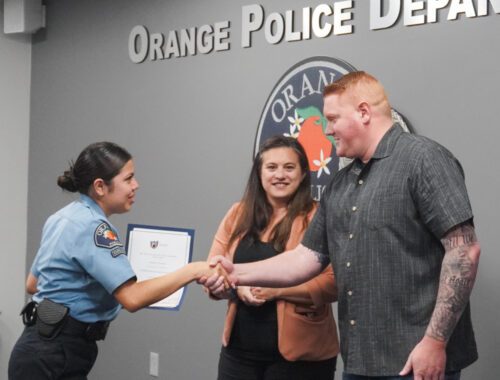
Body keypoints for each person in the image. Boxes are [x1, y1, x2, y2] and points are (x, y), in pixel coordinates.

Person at [208, 72, 480, 380]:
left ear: (364, 113)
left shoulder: (423, 159)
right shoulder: (341, 183)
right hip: (360, 362)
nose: (327, 130)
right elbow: (305, 258)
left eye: (333, 118)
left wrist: (435, 341)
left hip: (416, 363)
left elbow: (464, 251)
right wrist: (237, 273)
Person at [8, 142, 219, 380]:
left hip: (38, 349)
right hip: (56, 355)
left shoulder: (63, 217)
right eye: (128, 179)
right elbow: (132, 298)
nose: (136, 185)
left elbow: (33, 283)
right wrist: (193, 270)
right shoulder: (95, 228)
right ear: (100, 186)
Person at [202, 136, 339, 380]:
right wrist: (236, 288)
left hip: (301, 358)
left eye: (289, 167)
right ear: (259, 173)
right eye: (271, 167)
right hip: (238, 353)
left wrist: (275, 291)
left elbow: (333, 284)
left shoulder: (318, 217)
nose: (280, 175)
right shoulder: (238, 213)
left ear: (303, 173)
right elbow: (213, 269)